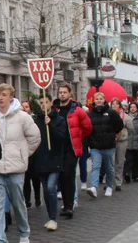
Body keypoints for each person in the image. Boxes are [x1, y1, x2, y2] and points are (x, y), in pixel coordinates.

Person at [0, 84, 40, 243]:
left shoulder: (23, 117)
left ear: (11, 96)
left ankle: (24, 232)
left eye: (4, 94)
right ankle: (0, 240)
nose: (0, 98)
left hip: (16, 168)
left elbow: (35, 137)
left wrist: (23, 155)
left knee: (18, 202)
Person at [51, 84, 92, 219]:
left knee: (68, 175)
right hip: (57, 149)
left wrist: (77, 137)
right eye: (60, 92)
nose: (62, 94)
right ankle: (66, 202)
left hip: (71, 149)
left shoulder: (77, 111)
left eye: (64, 92)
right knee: (60, 178)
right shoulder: (54, 110)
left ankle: (69, 206)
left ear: (70, 94)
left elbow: (88, 128)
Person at [31, 96, 68, 230]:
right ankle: (50, 216)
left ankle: (53, 219)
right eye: (41, 103)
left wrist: (50, 125)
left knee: (51, 187)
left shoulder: (59, 120)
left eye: (45, 102)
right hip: (40, 160)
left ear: (51, 103)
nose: (43, 105)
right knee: (46, 190)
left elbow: (61, 138)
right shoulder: (35, 120)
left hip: (54, 159)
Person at [85, 91, 123, 198]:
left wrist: (112, 134)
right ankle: (93, 187)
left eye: (100, 99)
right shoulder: (90, 114)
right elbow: (87, 129)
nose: (99, 101)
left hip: (108, 145)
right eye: (97, 99)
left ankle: (109, 186)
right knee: (96, 166)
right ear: (94, 100)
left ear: (104, 100)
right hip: (95, 145)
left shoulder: (111, 112)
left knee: (109, 167)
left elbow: (120, 125)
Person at [20, 100, 40, 209]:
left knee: (35, 179)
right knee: (26, 179)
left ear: (30, 109)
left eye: (26, 107)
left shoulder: (34, 120)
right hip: (23, 155)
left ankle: (37, 197)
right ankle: (27, 200)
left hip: (34, 154)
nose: (24, 109)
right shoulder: (18, 120)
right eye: (22, 107)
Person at [124, 102, 138, 183]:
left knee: (136, 160)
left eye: (134, 107)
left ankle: (135, 175)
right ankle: (126, 174)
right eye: (131, 107)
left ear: (137, 108)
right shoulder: (126, 117)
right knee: (128, 159)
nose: (132, 108)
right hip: (128, 141)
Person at [110, 98, 128, 191]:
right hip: (110, 141)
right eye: (113, 104)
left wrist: (124, 134)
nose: (114, 106)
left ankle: (118, 182)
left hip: (121, 141)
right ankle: (109, 181)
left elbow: (131, 127)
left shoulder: (124, 116)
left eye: (116, 104)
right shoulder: (107, 115)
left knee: (119, 162)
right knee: (110, 162)